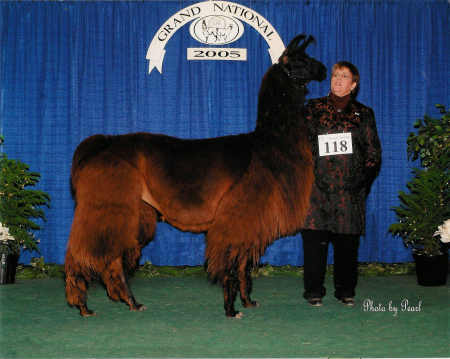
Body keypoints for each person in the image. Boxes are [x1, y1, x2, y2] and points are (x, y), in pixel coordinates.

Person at [301, 61, 382, 307]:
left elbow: (373, 152)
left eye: (344, 76)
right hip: (315, 190)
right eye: (335, 75)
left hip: (350, 190)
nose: (338, 79)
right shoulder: (312, 108)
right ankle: (313, 291)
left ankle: (346, 290)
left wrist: (362, 180)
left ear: (353, 85)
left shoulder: (364, 113)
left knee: (347, 246)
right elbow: (299, 145)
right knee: (314, 243)